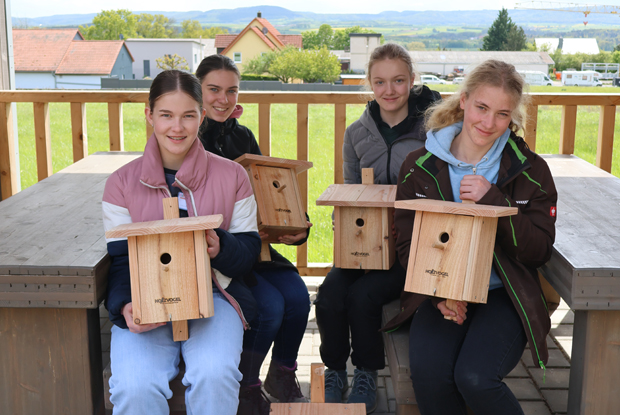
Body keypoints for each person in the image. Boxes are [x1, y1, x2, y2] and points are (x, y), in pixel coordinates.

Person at [384, 59, 557, 415]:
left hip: (504, 294)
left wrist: (494, 200)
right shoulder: (418, 167)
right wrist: (439, 295)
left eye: (502, 114)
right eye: (481, 107)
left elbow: (538, 251)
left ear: (512, 117)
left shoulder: (531, 170)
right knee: (431, 377)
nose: (488, 123)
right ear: (463, 101)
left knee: (475, 378)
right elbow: (407, 245)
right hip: (441, 290)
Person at [102, 69, 261, 415]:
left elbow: (249, 251)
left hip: (215, 296)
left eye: (188, 116)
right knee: (134, 386)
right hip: (146, 298)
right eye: (166, 115)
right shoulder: (120, 183)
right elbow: (120, 260)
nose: (177, 127)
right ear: (149, 115)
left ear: (202, 117)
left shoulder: (233, 175)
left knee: (215, 374)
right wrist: (125, 306)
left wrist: (220, 247)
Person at [314, 43, 441, 414]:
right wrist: (345, 228)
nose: (389, 90)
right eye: (380, 82)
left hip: (409, 249)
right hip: (364, 243)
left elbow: (439, 190)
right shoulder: (357, 133)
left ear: (412, 80)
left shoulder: (431, 132)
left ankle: (367, 372)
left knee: (364, 296)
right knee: (330, 294)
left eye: (398, 81)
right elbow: (350, 191)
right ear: (369, 83)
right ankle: (335, 369)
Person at [195, 54, 312, 415]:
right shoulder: (188, 138)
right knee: (270, 307)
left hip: (255, 246)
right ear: (196, 91)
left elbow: (266, 187)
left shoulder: (242, 135)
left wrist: (294, 225)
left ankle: (282, 373)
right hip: (218, 254)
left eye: (231, 91)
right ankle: (245, 385)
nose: (223, 99)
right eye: (214, 90)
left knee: (298, 298)